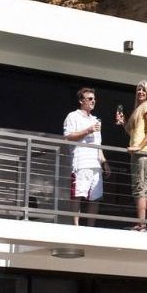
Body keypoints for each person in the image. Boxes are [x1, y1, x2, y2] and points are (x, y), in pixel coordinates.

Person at [115, 79, 147, 230]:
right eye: (138, 89)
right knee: (145, 187)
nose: (140, 92)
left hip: (143, 153)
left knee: (139, 187)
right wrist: (123, 123)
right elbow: (133, 133)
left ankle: (142, 223)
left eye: (143, 90)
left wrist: (138, 147)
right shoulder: (139, 108)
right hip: (139, 152)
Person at [61, 86, 108, 225]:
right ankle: (76, 226)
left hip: (96, 165)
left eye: (94, 99)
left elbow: (98, 145)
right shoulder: (73, 116)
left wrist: (105, 163)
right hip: (81, 162)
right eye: (89, 99)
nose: (93, 101)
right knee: (78, 195)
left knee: (96, 197)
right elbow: (68, 137)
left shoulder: (96, 120)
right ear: (81, 101)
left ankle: (90, 227)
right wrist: (88, 130)